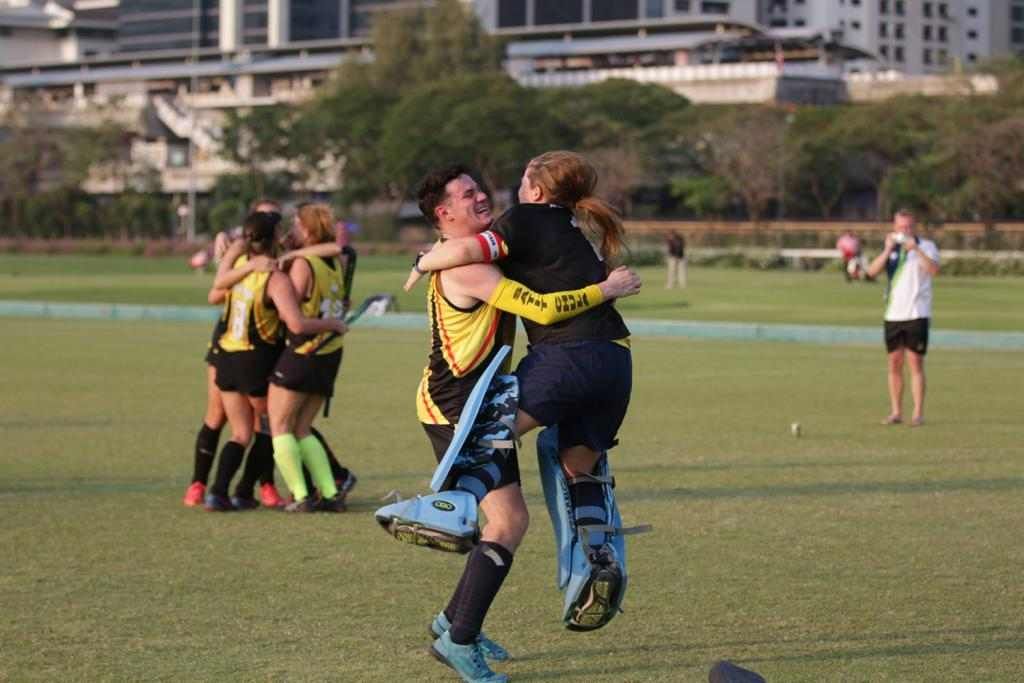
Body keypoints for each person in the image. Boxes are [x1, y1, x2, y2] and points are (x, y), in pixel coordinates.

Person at [409, 165, 640, 683]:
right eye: (467, 195)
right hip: (457, 407)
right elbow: (538, 306)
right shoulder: (469, 267)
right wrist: (606, 290)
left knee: (507, 522)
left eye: (480, 189)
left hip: (485, 400)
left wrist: (424, 257)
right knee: (508, 523)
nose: (481, 197)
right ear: (444, 212)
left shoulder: (482, 250)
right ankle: (458, 637)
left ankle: (454, 620)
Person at [203, 211, 346, 511]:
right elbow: (294, 322)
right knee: (275, 427)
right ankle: (294, 493)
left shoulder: (240, 268)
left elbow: (215, 293)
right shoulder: (276, 277)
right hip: (257, 359)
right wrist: (331, 323)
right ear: (273, 238)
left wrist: (233, 255)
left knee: (241, 433)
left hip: (226, 358)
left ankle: (217, 492)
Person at [183, 200, 285, 509]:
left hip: (238, 351)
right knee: (258, 425)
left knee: (246, 430)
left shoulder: (266, 261)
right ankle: (216, 487)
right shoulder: (257, 266)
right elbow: (215, 293)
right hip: (246, 353)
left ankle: (230, 490)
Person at [266, 203, 352, 513]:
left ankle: (301, 496)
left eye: (297, 224)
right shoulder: (334, 263)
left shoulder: (304, 264)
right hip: (329, 353)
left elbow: (295, 317)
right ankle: (329, 493)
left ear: (308, 229)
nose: (292, 228)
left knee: (279, 425)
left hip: (305, 351)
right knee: (302, 427)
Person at [866, 209, 940, 427]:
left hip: (917, 313)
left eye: (908, 227)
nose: (904, 231)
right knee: (894, 363)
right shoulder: (891, 248)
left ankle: (917, 413)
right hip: (893, 314)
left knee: (915, 362)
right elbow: (871, 272)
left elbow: (934, 270)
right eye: (900, 227)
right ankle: (896, 412)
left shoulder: (926, 246)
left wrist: (915, 249)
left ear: (914, 227)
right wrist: (888, 249)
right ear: (894, 227)